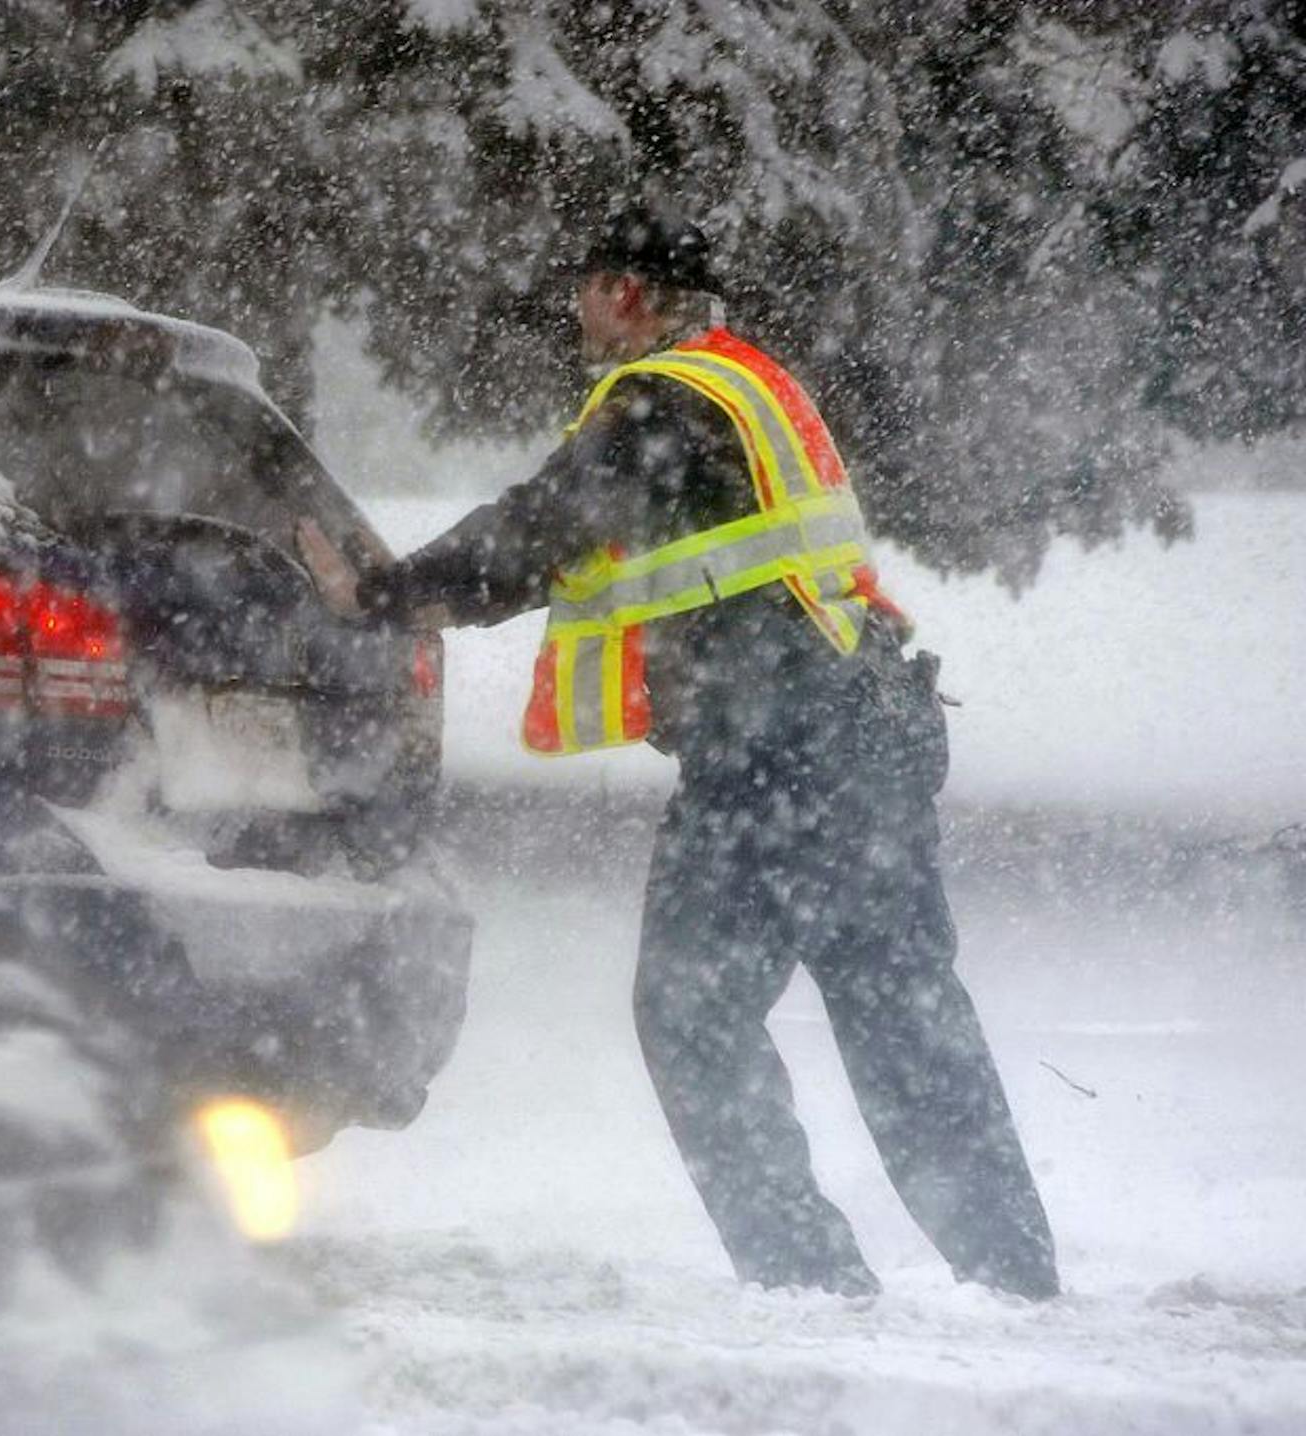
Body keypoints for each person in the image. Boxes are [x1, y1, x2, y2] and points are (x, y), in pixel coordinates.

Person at [355, 204, 1060, 1300]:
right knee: (899, 1003)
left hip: (776, 741)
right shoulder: (751, 382)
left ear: (628, 294)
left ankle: (809, 1280)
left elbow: (543, 526)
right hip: (864, 717)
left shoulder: (660, 398)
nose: (577, 312)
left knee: (692, 1007)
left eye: (588, 287)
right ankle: (1014, 1275)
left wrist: (386, 595)